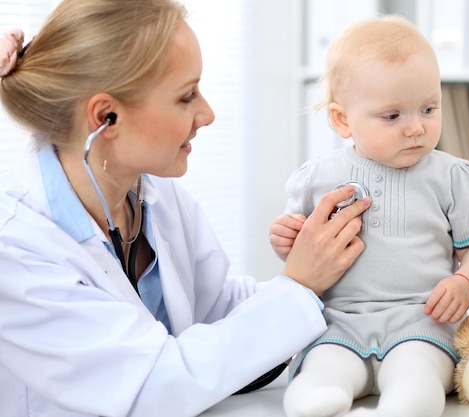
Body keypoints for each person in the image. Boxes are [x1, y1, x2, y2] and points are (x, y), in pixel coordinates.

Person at [0, 1, 372, 416]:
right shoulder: (16, 247)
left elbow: (215, 310)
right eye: (186, 96)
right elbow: (151, 386)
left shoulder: (151, 193)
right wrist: (300, 285)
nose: (207, 114)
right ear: (106, 116)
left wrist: (338, 282)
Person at [269, 16, 469, 417]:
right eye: (392, 116)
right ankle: (318, 402)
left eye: (428, 108)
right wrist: (284, 239)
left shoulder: (451, 177)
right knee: (321, 371)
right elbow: (302, 253)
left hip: (422, 322)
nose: (416, 128)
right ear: (343, 119)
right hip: (338, 324)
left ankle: (398, 410)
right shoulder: (316, 179)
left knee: (419, 378)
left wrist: (465, 282)